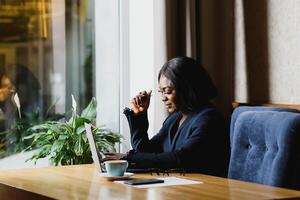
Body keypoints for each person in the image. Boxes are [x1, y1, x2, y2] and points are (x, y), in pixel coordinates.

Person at [105, 56, 230, 177]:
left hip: (207, 189)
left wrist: (128, 158)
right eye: (161, 92)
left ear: (187, 88)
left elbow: (181, 158)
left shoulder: (209, 119)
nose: (163, 98)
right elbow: (145, 150)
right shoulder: (175, 118)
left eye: (168, 91)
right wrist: (139, 115)